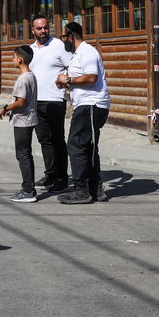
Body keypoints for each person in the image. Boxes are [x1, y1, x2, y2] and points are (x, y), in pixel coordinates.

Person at [57, 21, 110, 205]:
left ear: (71, 36)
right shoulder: (78, 54)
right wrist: (67, 84)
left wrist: (68, 79)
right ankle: (95, 189)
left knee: (76, 145)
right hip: (86, 105)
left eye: (64, 37)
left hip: (92, 105)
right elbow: (82, 80)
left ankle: (81, 190)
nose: (63, 41)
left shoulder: (87, 51)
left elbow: (91, 77)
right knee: (87, 147)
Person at [28, 16, 72, 194]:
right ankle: (50, 174)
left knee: (57, 139)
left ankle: (62, 178)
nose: (43, 31)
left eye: (45, 28)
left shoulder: (58, 45)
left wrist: (66, 82)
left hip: (54, 100)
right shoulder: (30, 49)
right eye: (39, 28)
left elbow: (72, 66)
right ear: (33, 30)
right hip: (35, 101)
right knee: (44, 140)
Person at [0, 45, 39, 202]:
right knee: (26, 154)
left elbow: (20, 102)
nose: (13, 60)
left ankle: (28, 191)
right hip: (29, 119)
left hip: (22, 121)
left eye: (14, 57)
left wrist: (5, 108)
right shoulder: (31, 75)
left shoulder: (23, 78)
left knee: (22, 155)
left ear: (20, 59)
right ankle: (29, 188)